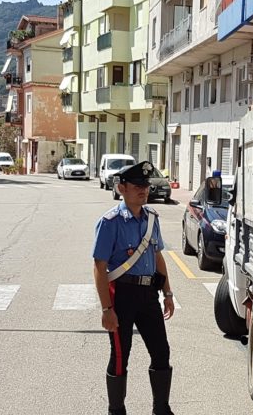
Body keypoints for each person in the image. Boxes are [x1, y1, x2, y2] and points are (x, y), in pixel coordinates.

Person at [93, 161, 175, 415]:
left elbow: (159, 257)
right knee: (120, 356)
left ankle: (161, 408)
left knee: (161, 352)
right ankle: (116, 411)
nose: (144, 190)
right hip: (122, 296)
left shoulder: (151, 219)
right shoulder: (110, 222)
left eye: (146, 186)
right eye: (138, 186)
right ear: (122, 188)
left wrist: (168, 293)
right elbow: (99, 266)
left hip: (148, 295)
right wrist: (107, 308)